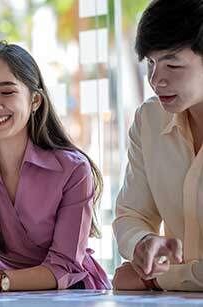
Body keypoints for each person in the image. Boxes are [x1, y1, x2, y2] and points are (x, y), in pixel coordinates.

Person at [0, 41, 111, 294]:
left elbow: (63, 266)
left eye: (7, 92)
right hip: (5, 296)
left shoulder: (73, 170)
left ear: (35, 100)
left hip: (73, 293)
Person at [113, 0, 203, 291]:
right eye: (151, 63)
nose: (155, 80)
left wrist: (155, 278)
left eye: (172, 65)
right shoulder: (149, 119)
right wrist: (143, 243)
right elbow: (132, 214)